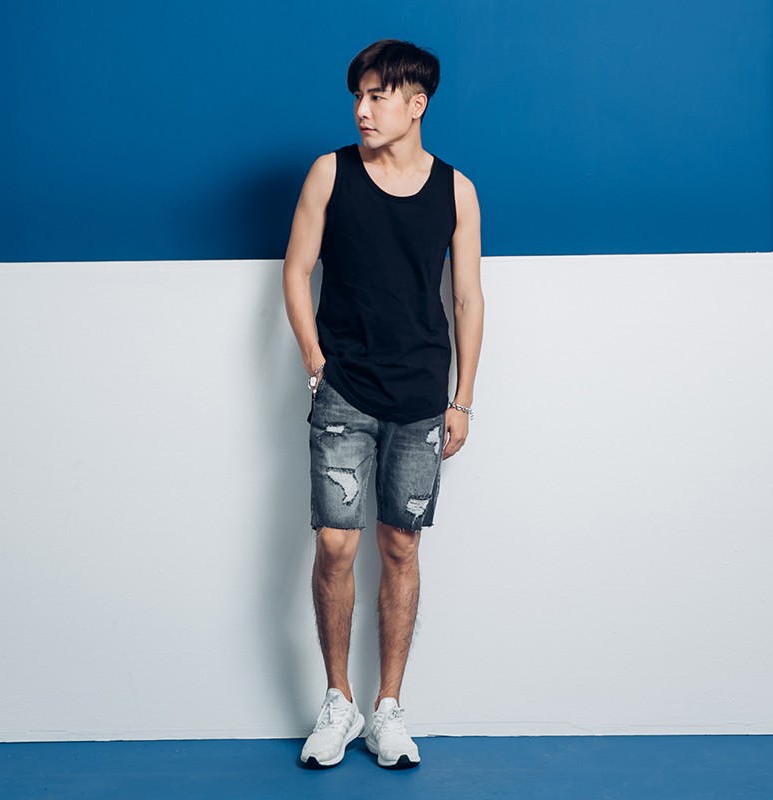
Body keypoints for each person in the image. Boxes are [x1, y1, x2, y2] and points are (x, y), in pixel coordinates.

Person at [282, 39, 483, 769]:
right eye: (357, 97)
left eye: (377, 97)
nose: (361, 110)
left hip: (422, 396)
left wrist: (463, 399)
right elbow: (297, 269)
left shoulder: (456, 190)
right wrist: (316, 362)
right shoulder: (330, 173)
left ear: (416, 104)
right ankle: (339, 701)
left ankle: (388, 708)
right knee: (336, 544)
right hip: (345, 390)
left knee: (401, 545)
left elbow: (467, 298)